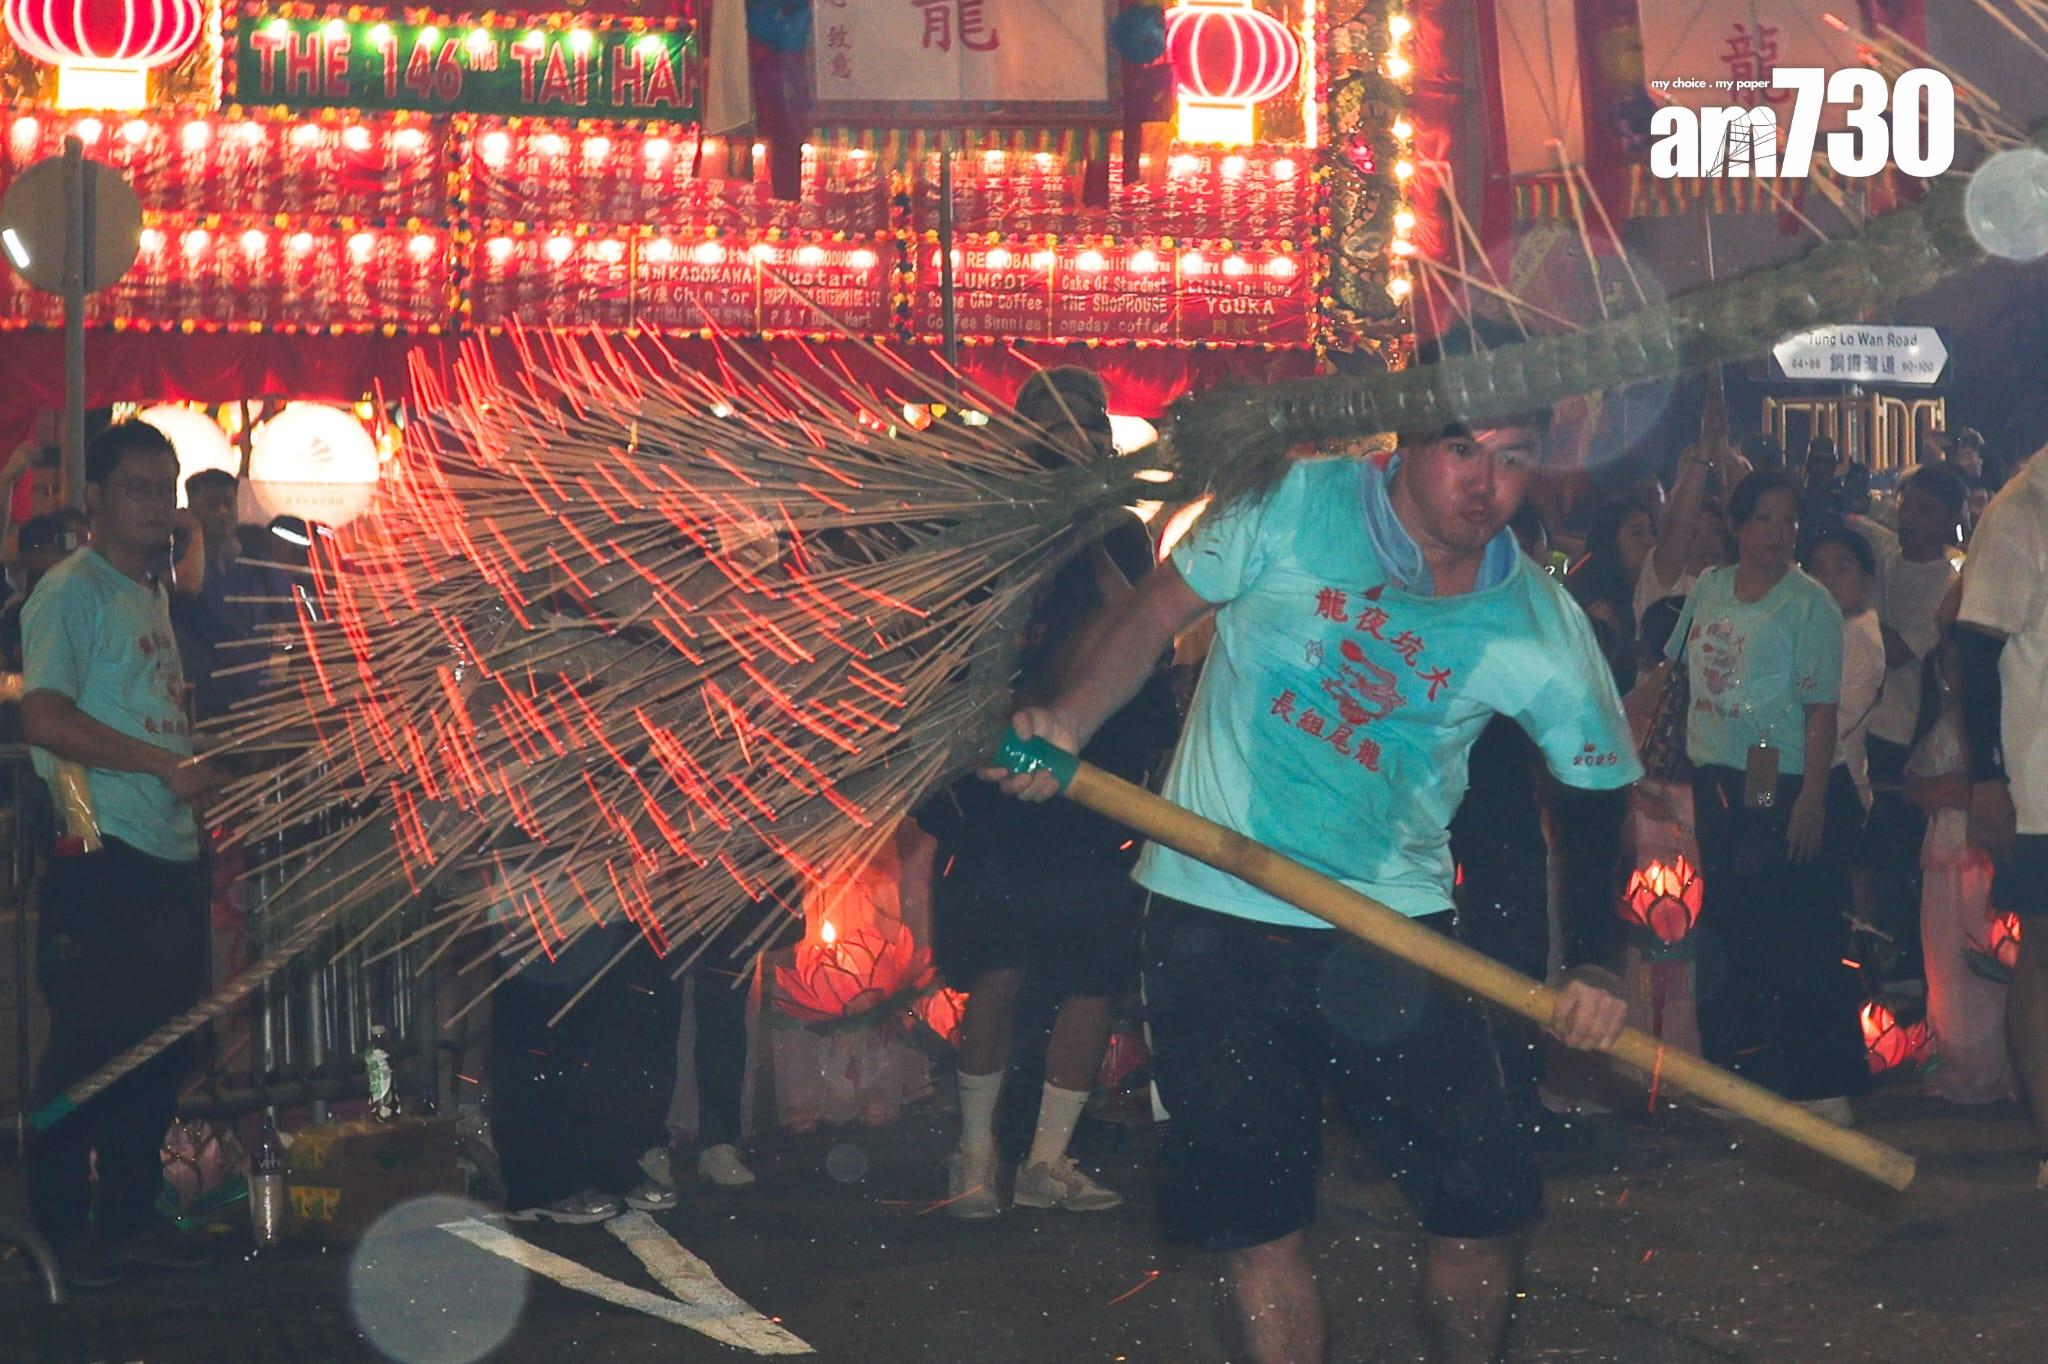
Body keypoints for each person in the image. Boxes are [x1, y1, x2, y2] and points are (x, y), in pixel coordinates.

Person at [989, 410, 1638, 1364]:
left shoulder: (1534, 618)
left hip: (1390, 932)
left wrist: (1595, 959)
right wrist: (1069, 726)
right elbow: (1151, 616)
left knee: (1481, 1208)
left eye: (1513, 460)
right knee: (1259, 1230)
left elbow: (1595, 795)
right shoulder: (1286, 502)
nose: (1485, 484)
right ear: (1410, 441)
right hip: (1212, 916)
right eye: (1464, 450)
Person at [923, 367, 1179, 1219]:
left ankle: (1047, 1160)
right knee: (999, 969)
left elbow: (1136, 626)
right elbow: (959, 647)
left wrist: (1090, 528)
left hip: (1094, 784)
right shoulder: (990, 525)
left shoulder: (1118, 531)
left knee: (1090, 976)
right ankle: (974, 1153)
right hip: (1001, 781)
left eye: (1085, 424)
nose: (1071, 437)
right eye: (1052, 422)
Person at [19, 420, 228, 1288]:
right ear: (95, 500)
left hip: (167, 848)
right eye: (139, 489)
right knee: (91, 1045)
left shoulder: (150, 594)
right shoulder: (68, 594)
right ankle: (58, 1236)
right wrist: (157, 764)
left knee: (162, 1044)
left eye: (167, 489)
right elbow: (44, 720)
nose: (159, 508)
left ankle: (130, 1218)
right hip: (102, 850)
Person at [1668, 470, 1869, 1121]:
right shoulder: (1709, 587)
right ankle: (1739, 1077)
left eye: (1788, 521)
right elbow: (1671, 673)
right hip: (1723, 780)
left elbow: (1820, 713)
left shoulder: (1809, 603)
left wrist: (1812, 799)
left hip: (1785, 782)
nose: (1777, 534)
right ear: (1737, 526)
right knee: (1732, 926)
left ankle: (1823, 1083)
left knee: (1803, 929)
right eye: (1763, 519)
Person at [1953, 443, 2048, 1189]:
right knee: (2045, 953)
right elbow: (1975, 649)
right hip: (2042, 782)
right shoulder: (2023, 508)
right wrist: (1987, 775)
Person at [1906, 624, 2016, 1104]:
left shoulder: (1997, 724)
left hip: (1977, 852)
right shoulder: (1939, 721)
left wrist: (1963, 790)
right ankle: (1960, 1062)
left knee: (1986, 957)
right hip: (1942, 851)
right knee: (1945, 958)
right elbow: (1913, 783)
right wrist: (1940, 789)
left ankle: (1997, 1065)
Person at [1863, 466, 1966, 948]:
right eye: (1909, 504)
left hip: (1903, 733)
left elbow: (1900, 652)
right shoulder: (1882, 560)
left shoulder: (1948, 583)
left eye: (1927, 510)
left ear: (1951, 520)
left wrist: (1855, 608)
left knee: (1896, 856)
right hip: (1857, 725)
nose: (1912, 517)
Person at [170, 469, 293, 725]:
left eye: (229, 502)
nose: (223, 512)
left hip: (255, 703)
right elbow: (187, 585)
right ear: (191, 509)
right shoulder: (177, 562)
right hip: (199, 705)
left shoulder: (260, 566)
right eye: (212, 505)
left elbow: (287, 620)